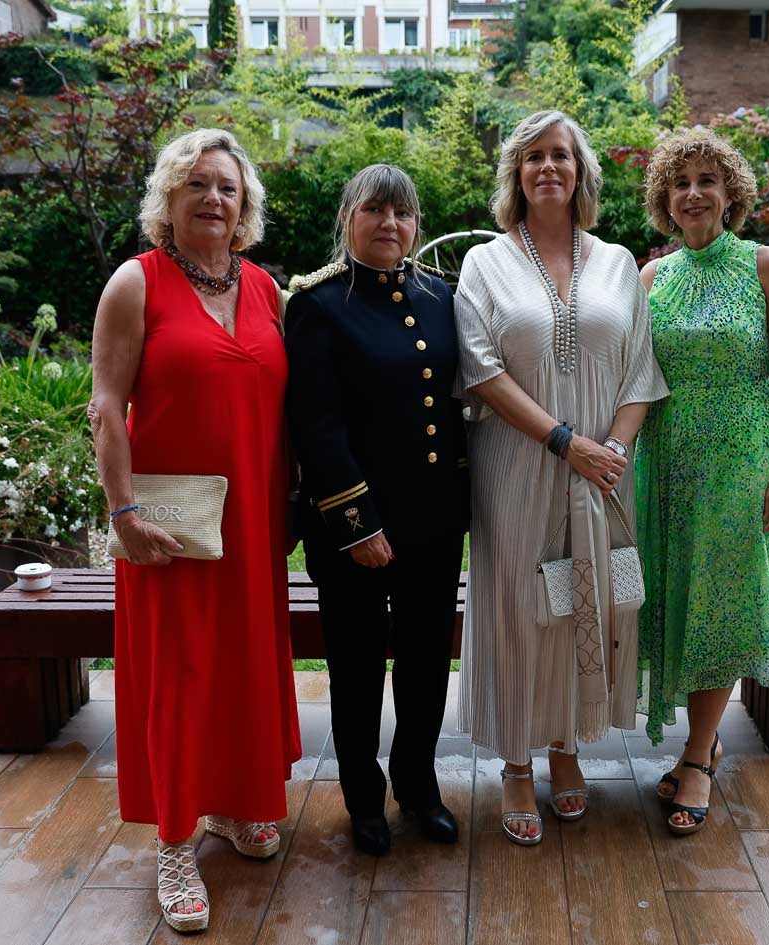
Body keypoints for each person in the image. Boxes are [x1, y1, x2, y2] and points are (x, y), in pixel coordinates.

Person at [89, 128, 301, 933]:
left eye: (227, 188)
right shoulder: (134, 284)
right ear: (168, 200)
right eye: (197, 186)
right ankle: (175, 840)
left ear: (244, 205)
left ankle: (236, 803)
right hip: (166, 522)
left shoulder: (263, 288)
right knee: (178, 672)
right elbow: (106, 406)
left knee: (243, 661)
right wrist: (122, 513)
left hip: (252, 518)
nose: (214, 199)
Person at [453, 110, 668, 846]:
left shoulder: (615, 261)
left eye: (562, 156)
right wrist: (563, 439)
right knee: (520, 606)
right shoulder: (485, 262)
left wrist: (608, 448)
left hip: (604, 469)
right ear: (516, 174)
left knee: (588, 599)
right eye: (534, 156)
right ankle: (516, 758)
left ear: (580, 173)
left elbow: (641, 368)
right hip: (518, 462)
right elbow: (479, 368)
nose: (548, 167)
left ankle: (567, 742)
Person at [634, 125, 769, 836]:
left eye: (706, 180)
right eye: (679, 183)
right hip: (668, 457)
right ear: (663, 200)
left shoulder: (766, 265)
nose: (692, 193)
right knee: (681, 599)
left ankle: (697, 761)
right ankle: (701, 738)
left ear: (730, 193)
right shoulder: (651, 277)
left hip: (743, 459)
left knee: (720, 603)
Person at [285, 164, 469, 857]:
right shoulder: (318, 304)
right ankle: (363, 798)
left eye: (403, 213)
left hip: (432, 520)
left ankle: (419, 788)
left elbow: (453, 409)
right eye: (375, 210)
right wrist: (356, 523)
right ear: (348, 219)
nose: (389, 223)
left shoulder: (441, 296)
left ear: (416, 224)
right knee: (357, 666)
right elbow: (316, 425)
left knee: (425, 662)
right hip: (353, 526)